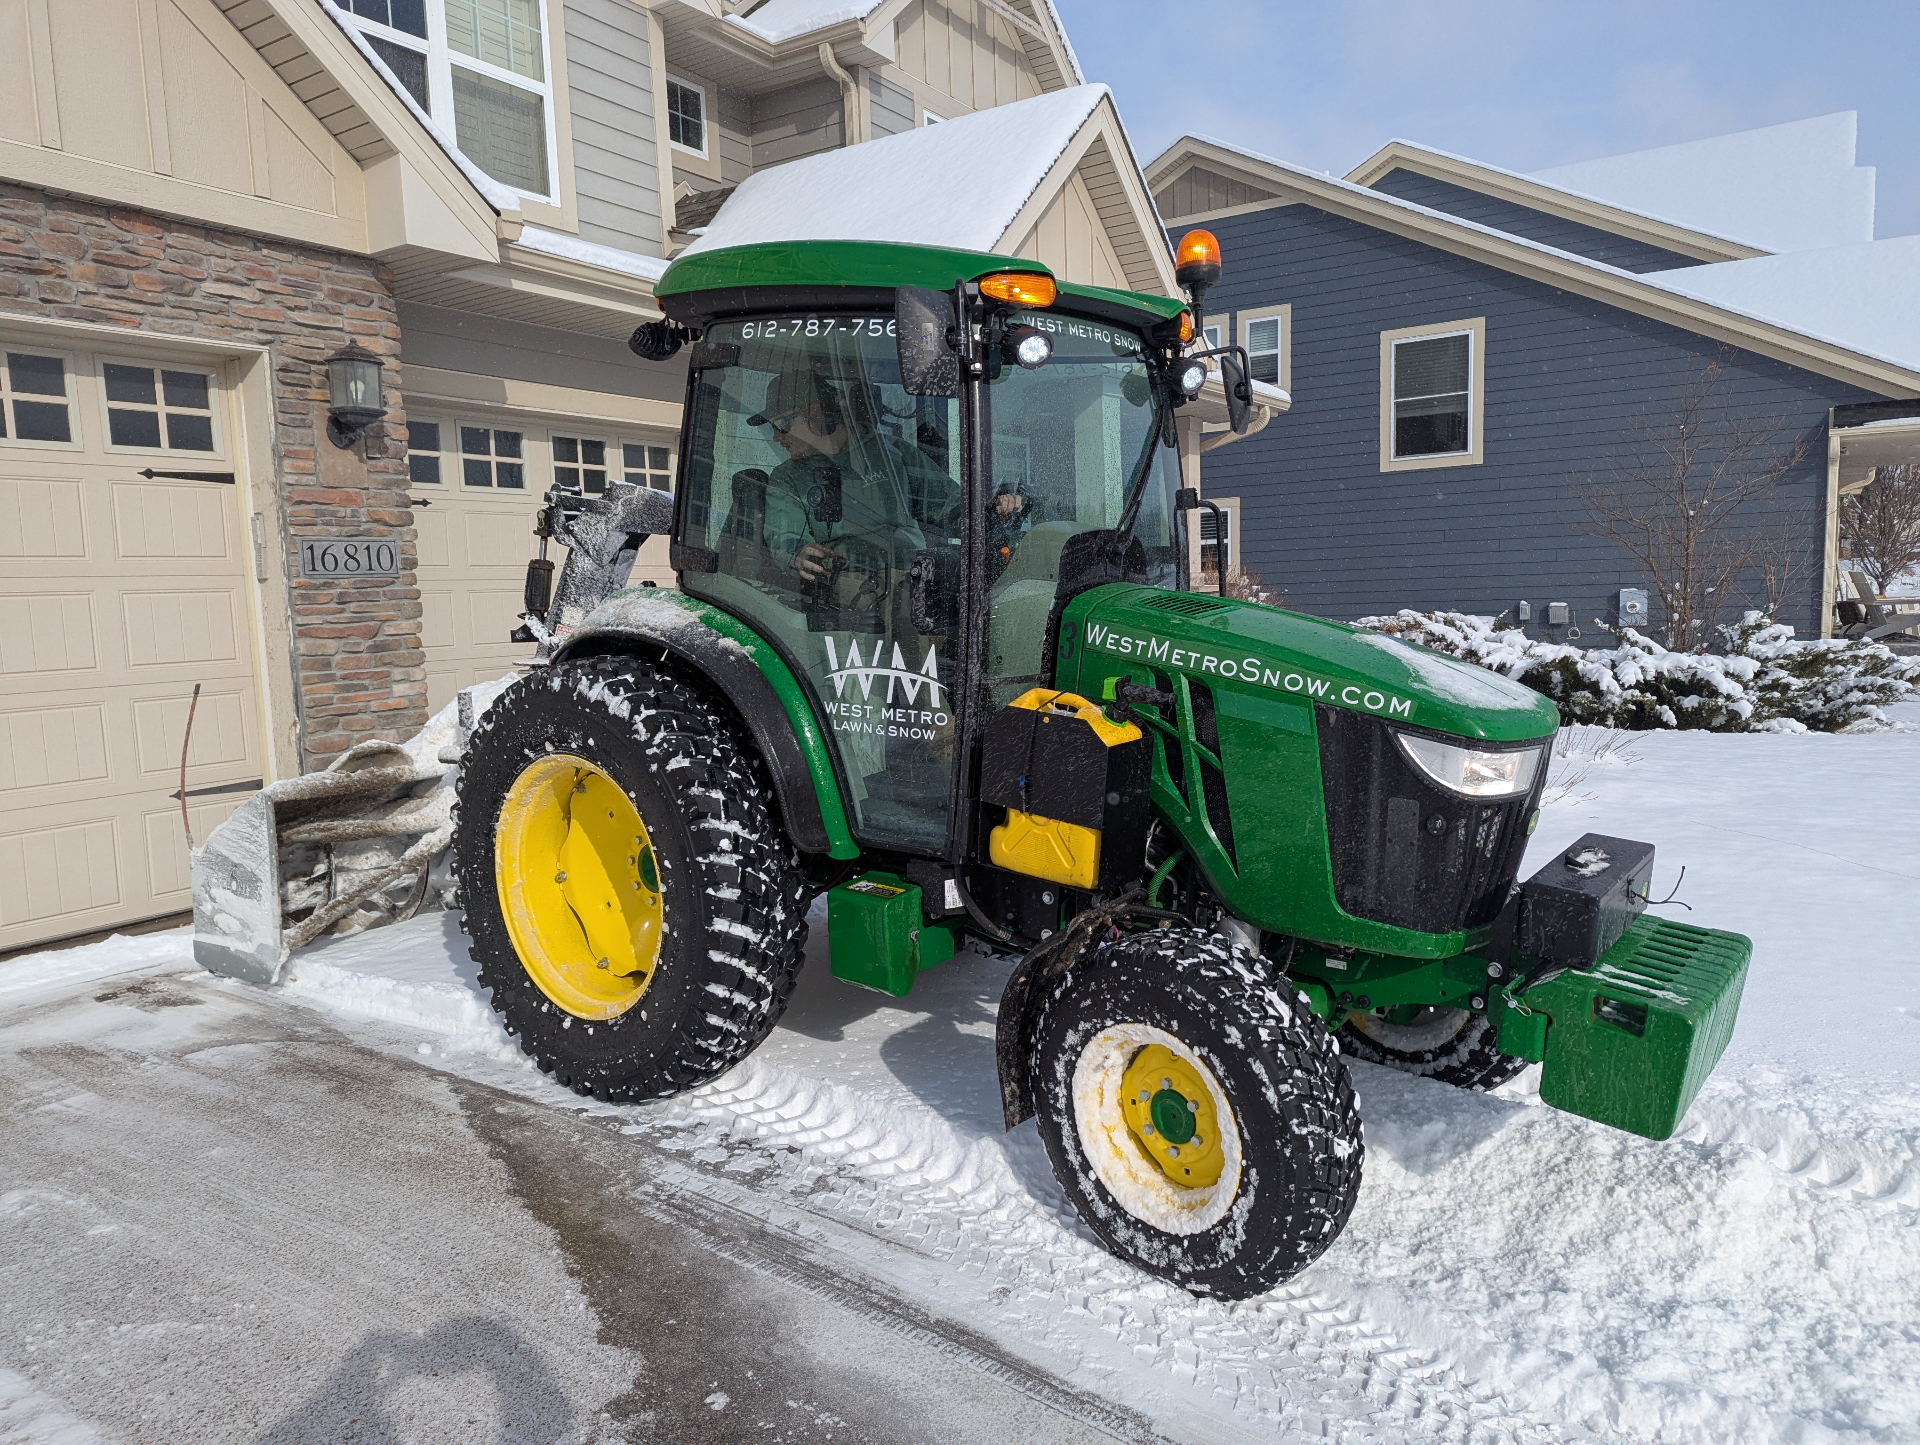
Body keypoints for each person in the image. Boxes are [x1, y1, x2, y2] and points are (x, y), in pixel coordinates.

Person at [749, 369, 1025, 587]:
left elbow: (952, 508)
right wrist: (798, 554)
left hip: (911, 578)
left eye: (782, 424)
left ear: (819, 414)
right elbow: (784, 537)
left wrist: (993, 511)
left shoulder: (891, 454)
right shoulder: (787, 478)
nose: (776, 436)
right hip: (842, 585)